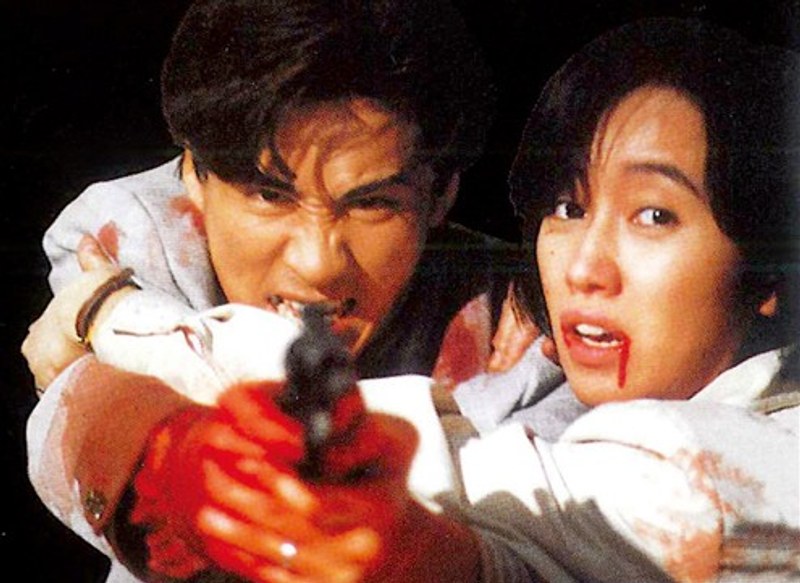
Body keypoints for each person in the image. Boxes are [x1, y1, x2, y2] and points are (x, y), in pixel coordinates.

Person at [123, 18, 800, 582]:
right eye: (568, 207)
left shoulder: (713, 469)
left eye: (654, 216)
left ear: (770, 262)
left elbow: (434, 483)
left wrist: (107, 316)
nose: (585, 269)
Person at [22, 1, 539, 581]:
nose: (318, 265)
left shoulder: (522, 317)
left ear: (442, 196)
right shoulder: (129, 234)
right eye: (270, 196)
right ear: (193, 175)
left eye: (372, 204)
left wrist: (117, 319)